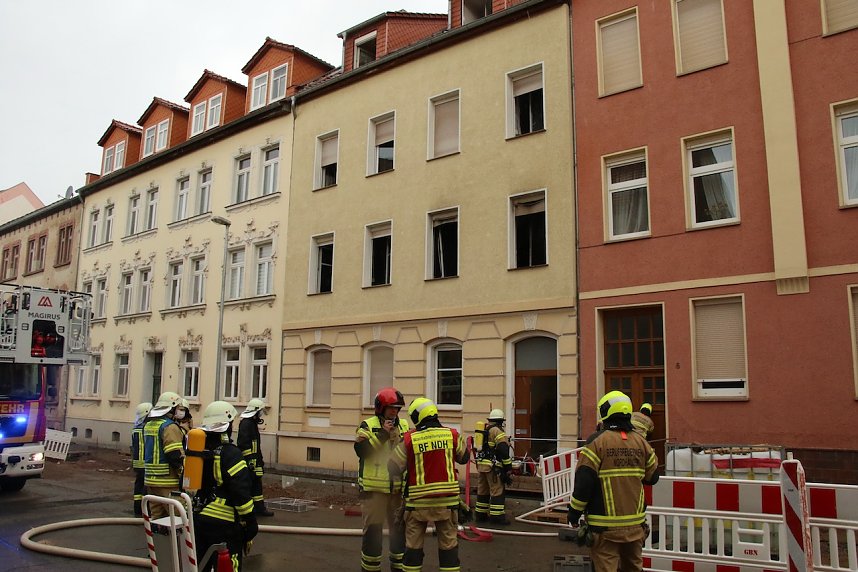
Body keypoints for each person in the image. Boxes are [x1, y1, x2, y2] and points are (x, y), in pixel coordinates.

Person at [567, 391, 659, 572]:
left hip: (604, 527)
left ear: (605, 412)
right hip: (635, 525)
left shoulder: (597, 442)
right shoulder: (642, 442)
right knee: (633, 567)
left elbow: (584, 482)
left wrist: (574, 513)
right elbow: (652, 478)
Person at [389, 397, 469, 572]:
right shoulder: (451, 435)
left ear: (417, 417)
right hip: (446, 504)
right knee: (449, 546)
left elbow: (393, 467)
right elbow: (464, 458)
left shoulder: (410, 439)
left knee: (413, 548)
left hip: (417, 505)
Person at [193, 401, 258, 572]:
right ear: (227, 425)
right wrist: (250, 522)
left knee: (201, 566)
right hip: (225, 525)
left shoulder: (197, 451)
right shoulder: (231, 454)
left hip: (198, 519)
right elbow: (241, 492)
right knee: (229, 567)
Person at [354, 387, 409, 572]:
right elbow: (362, 452)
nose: (394, 411)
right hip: (373, 491)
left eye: (397, 408)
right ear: (381, 408)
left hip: (397, 491)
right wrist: (383, 435)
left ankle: (399, 568)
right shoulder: (367, 426)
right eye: (391, 408)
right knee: (373, 535)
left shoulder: (404, 426)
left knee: (398, 534)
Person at [143, 391, 186, 520]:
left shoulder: (149, 424)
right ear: (171, 408)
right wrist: (184, 474)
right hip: (167, 481)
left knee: (157, 520)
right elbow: (174, 455)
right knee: (181, 515)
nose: (180, 411)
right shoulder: (169, 427)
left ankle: (154, 541)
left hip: (150, 479)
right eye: (178, 408)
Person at [474, 408, 513, 525]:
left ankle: (480, 515)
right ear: (500, 421)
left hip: (481, 465)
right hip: (493, 467)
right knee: (497, 490)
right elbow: (503, 449)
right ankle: (497, 517)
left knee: (483, 490)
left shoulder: (484, 430)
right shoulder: (498, 431)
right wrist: (508, 466)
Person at [237, 398, 273, 517]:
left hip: (255, 460)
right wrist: (251, 462)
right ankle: (252, 509)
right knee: (251, 485)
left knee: (256, 485)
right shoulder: (246, 424)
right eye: (260, 411)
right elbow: (243, 444)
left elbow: (255, 445)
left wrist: (259, 460)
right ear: (255, 411)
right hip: (250, 462)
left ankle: (259, 508)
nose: (261, 413)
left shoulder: (251, 423)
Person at [130, 401, 152, 517]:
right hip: (145, 463)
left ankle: (137, 511)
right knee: (145, 489)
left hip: (137, 464)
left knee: (138, 488)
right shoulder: (146, 428)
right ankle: (145, 511)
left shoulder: (135, 429)